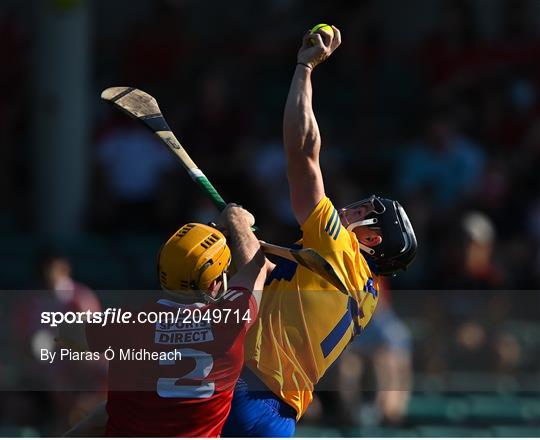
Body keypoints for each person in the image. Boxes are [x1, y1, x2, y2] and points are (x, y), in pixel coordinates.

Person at [222, 27, 417, 437]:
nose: (353, 207)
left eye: (366, 211)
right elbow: (273, 288)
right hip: (280, 417)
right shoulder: (365, 294)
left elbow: (303, 150)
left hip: (244, 393)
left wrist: (304, 69)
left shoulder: (338, 246)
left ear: (372, 239)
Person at [61, 204, 270, 437]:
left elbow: (67, 333)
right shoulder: (232, 322)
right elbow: (256, 267)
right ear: (213, 283)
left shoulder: (122, 324)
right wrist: (237, 218)